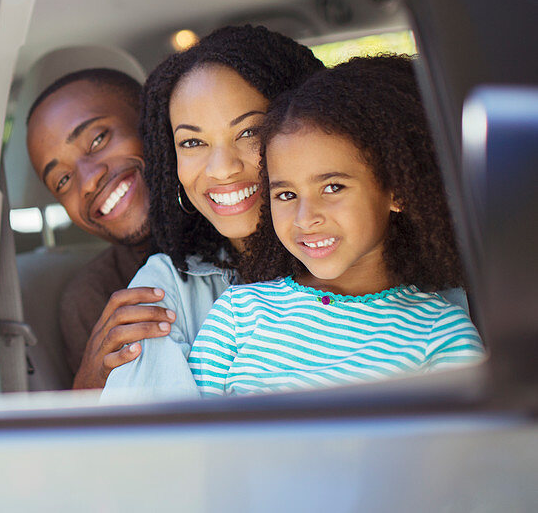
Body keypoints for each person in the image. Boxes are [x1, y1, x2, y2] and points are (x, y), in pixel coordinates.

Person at [188, 55, 483, 396]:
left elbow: (462, 447)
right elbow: (188, 443)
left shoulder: (441, 333)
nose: (305, 217)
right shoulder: (239, 313)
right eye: (285, 194)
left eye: (332, 188)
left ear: (397, 190)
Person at [101, 24, 325, 399]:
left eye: (250, 132)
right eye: (192, 142)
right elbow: (154, 448)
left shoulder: (386, 258)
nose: (221, 169)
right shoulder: (163, 288)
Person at [25, 68, 172, 390]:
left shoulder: (267, 232)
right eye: (62, 180)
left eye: (98, 139)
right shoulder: (92, 300)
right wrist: (93, 377)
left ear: (153, 119)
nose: (89, 180)